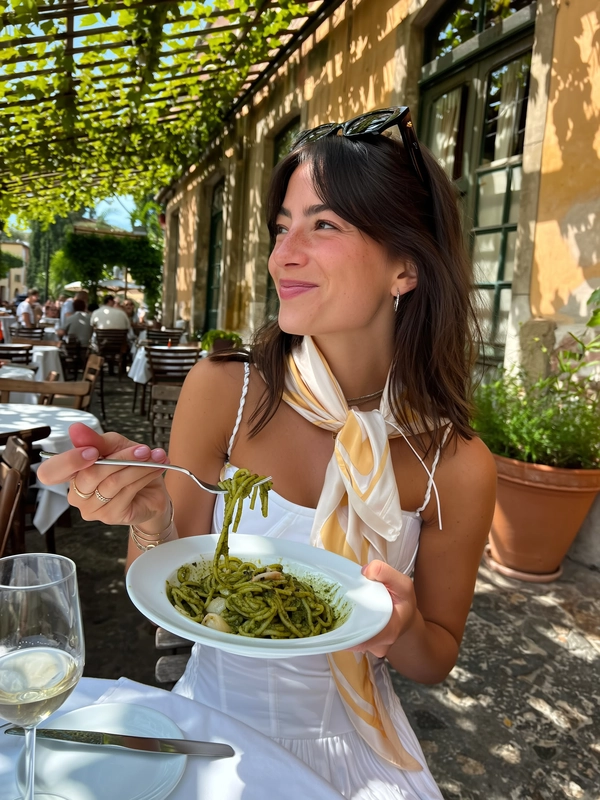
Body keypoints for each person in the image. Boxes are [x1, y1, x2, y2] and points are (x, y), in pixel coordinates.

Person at [38, 107, 496, 800]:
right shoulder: (227, 387)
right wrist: (150, 516)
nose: (283, 255)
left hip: (357, 748)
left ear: (406, 267)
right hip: (210, 727)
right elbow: (159, 577)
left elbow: (436, 656)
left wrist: (397, 626)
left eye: (324, 225)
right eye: (283, 226)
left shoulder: (455, 463)